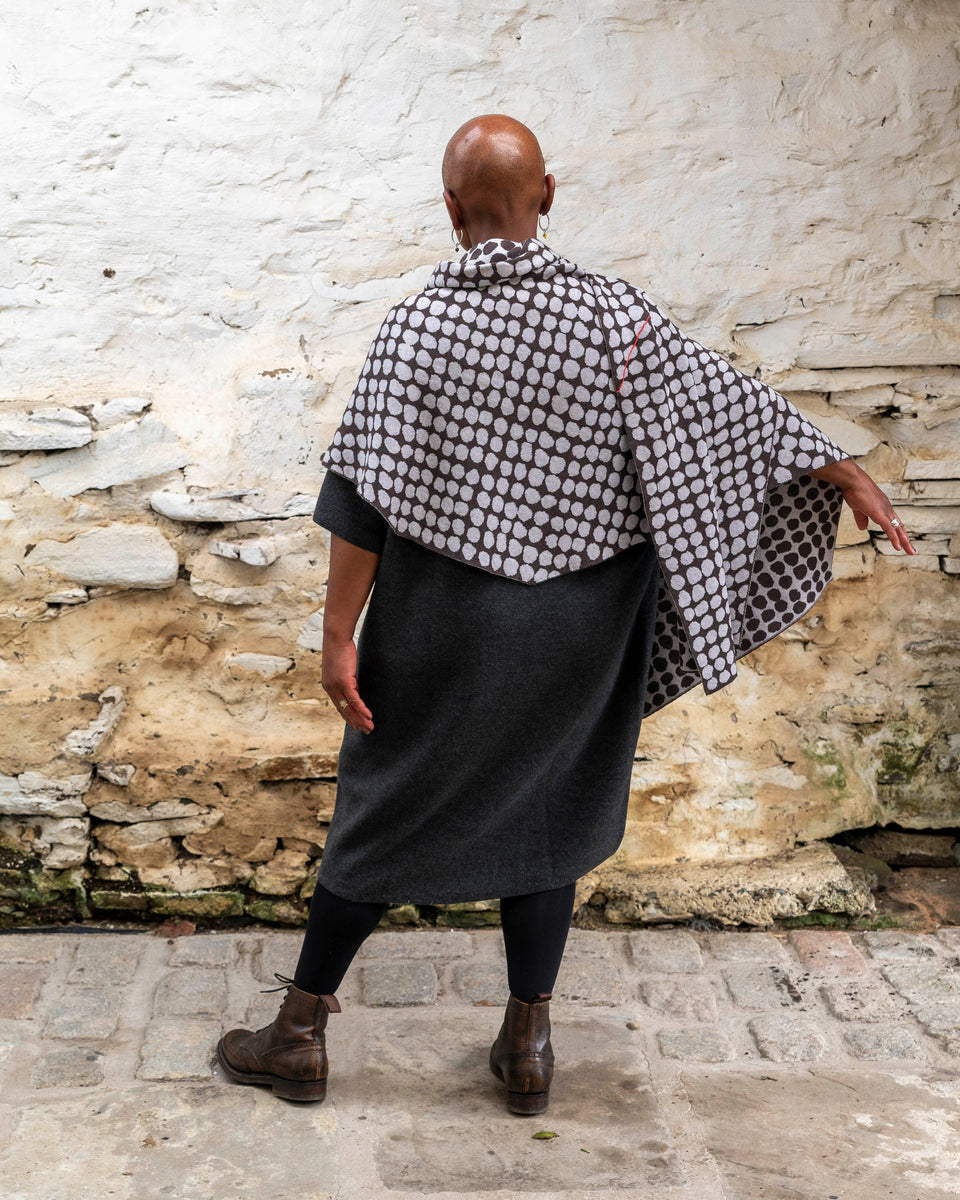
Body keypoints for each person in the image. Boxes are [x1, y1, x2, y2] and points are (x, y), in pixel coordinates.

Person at [217, 115, 914, 1115]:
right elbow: (728, 408)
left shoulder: (417, 328)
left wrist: (336, 638)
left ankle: (298, 1032)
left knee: (388, 795)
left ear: (450, 210)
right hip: (582, 624)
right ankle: (528, 1046)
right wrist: (842, 470)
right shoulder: (615, 320)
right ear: (548, 195)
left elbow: (359, 497)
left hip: (442, 620)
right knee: (552, 805)